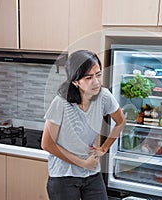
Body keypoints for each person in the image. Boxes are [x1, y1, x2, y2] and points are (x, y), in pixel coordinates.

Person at [41, 50, 126, 200]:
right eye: (89, 77)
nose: (96, 82)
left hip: (91, 172)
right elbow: (47, 144)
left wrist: (104, 148)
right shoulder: (61, 103)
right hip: (63, 175)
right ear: (75, 81)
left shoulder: (104, 96)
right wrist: (82, 163)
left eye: (98, 75)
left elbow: (120, 121)